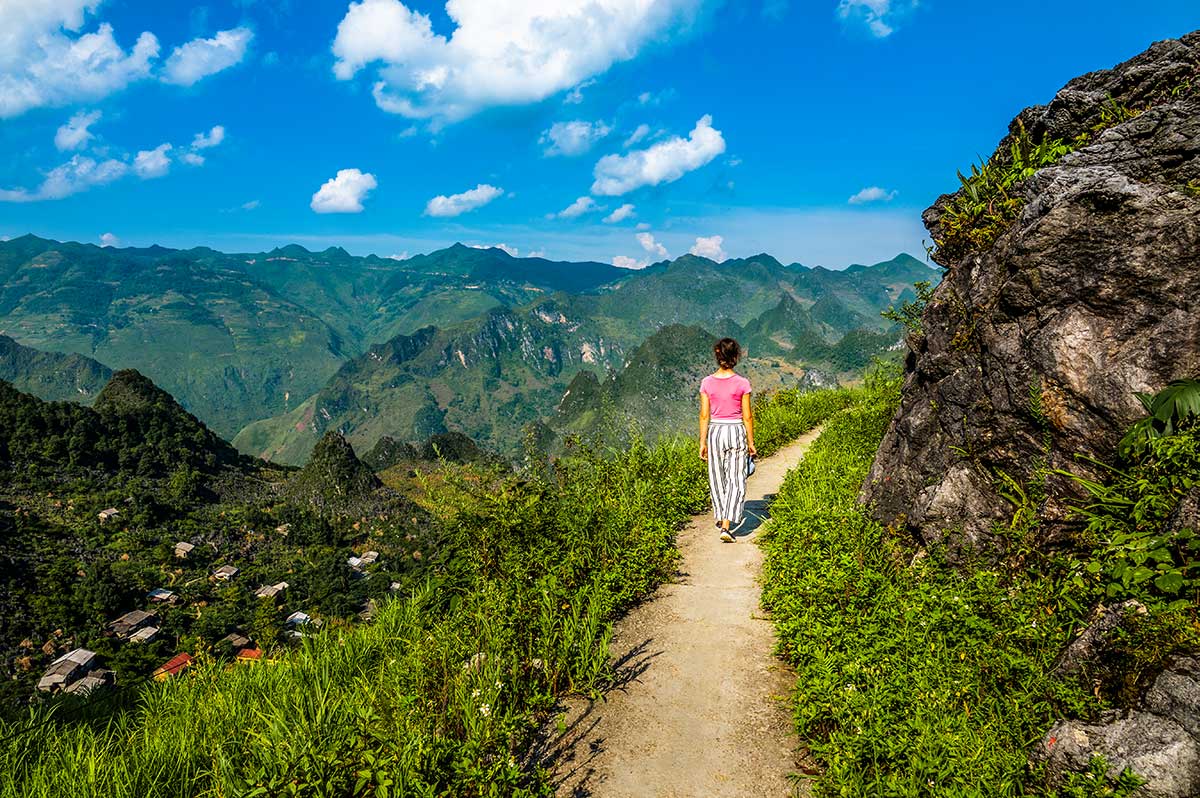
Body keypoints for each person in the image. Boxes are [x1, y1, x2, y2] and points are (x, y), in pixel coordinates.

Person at [699, 338, 756, 542]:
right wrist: (751, 442)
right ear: (736, 357)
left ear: (717, 355)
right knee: (736, 478)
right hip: (735, 431)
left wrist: (702, 442)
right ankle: (727, 524)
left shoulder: (707, 383)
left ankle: (721, 516)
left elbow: (704, 415)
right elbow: (747, 416)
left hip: (715, 431)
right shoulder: (743, 383)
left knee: (717, 477)